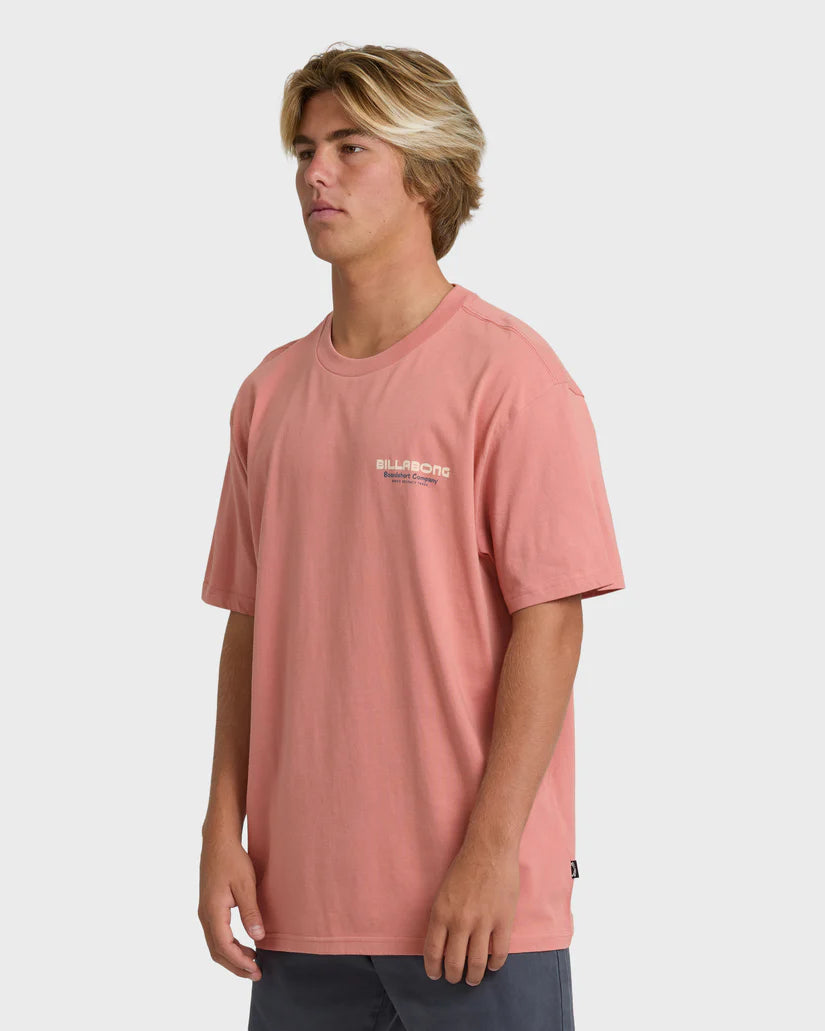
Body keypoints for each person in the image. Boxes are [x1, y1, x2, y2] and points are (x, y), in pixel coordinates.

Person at [198, 43, 625, 1031]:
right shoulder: (269, 393)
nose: (316, 173)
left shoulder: (508, 377)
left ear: (427, 173)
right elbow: (249, 626)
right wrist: (222, 825)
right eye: (306, 149)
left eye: (351, 147)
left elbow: (551, 622)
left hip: (472, 915)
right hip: (296, 913)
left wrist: (491, 851)